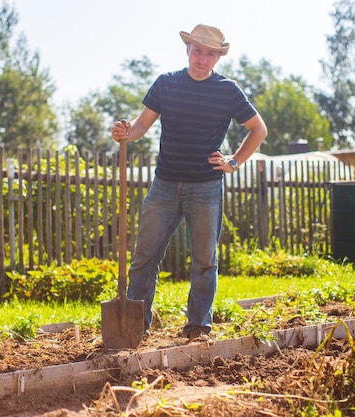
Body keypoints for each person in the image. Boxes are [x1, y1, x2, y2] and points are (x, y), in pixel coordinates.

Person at [110, 23, 267, 342]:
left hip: (206, 188)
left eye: (210, 54)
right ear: (188, 50)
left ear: (217, 58)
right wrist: (126, 133)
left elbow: (258, 129)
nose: (202, 58)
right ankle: (135, 325)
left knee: (204, 261)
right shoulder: (166, 84)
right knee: (144, 257)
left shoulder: (227, 90)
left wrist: (233, 162)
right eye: (198, 51)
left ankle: (198, 325)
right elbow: (142, 125)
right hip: (164, 186)